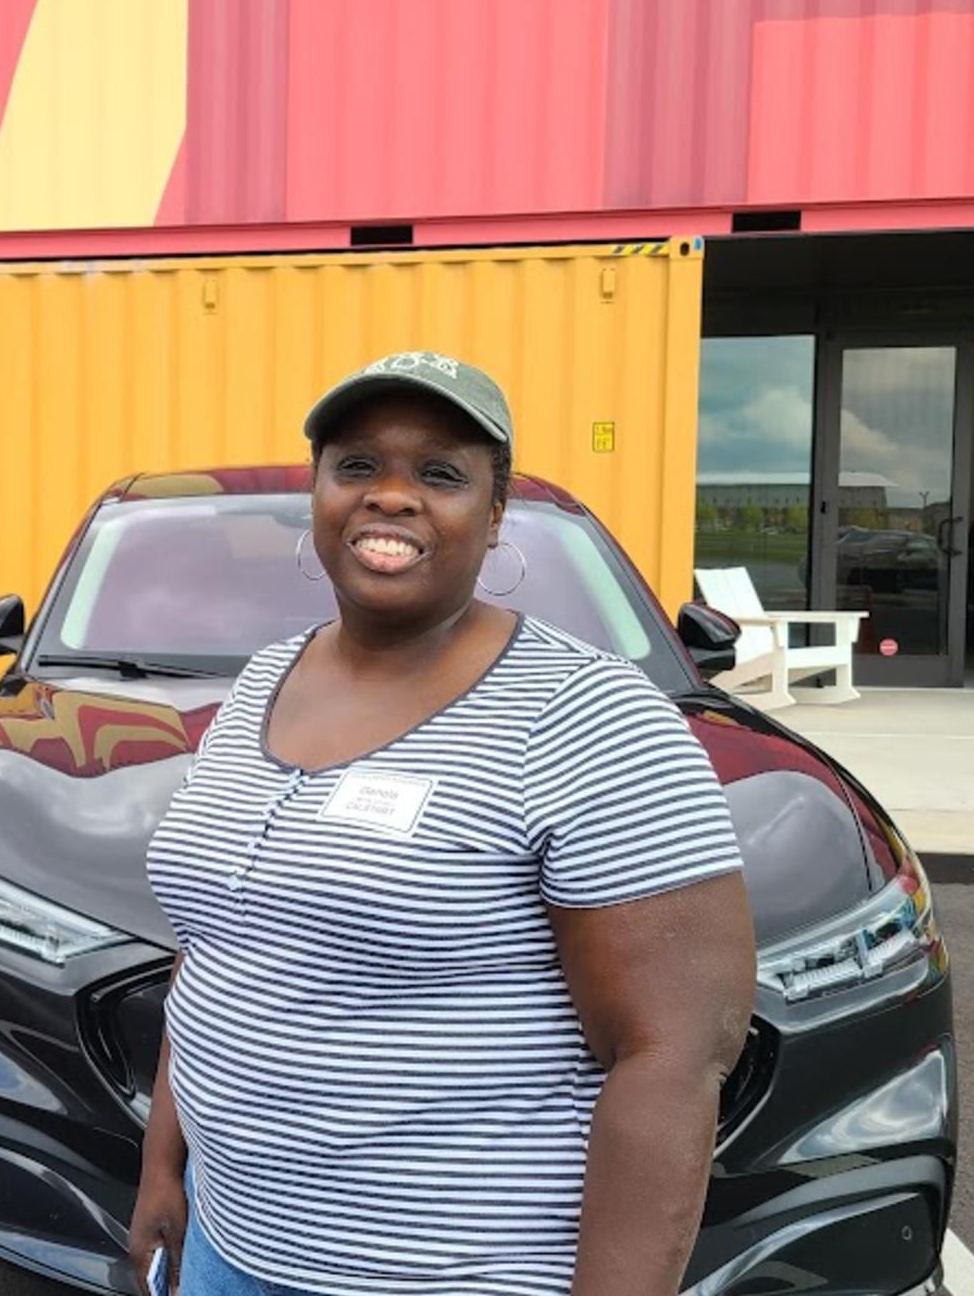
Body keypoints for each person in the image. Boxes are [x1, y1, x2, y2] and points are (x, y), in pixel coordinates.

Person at [130, 352, 756, 1296]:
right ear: (318, 495)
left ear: (495, 511)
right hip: (232, 1247)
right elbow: (219, 949)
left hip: (457, 1271)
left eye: (440, 474)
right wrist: (163, 1170)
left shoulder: (591, 717)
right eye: (357, 467)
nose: (392, 497)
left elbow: (671, 1057)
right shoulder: (266, 677)